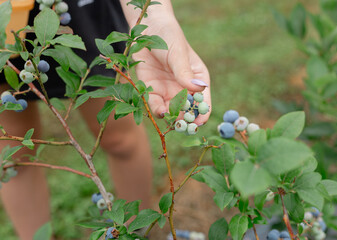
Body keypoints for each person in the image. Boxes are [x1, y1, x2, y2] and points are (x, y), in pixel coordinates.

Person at [0, 0, 211, 239]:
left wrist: (157, 17)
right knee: (13, 151)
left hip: (76, 9)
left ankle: (135, 231)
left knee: (118, 134)